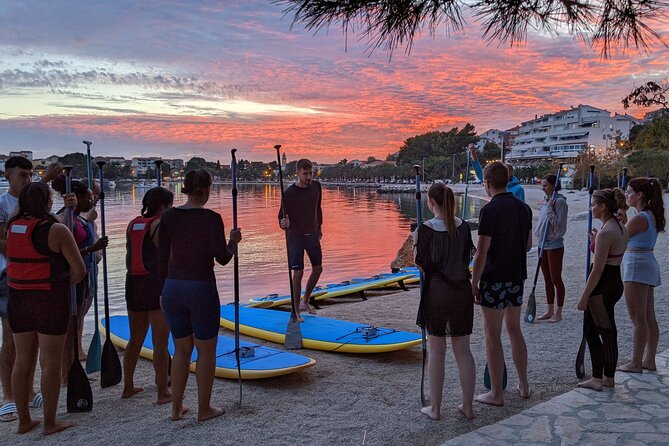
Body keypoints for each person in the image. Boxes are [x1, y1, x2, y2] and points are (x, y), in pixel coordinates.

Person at [159, 169, 241, 421]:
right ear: (205, 190)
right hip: (200, 287)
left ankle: (176, 408)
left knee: (181, 349)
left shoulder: (169, 216)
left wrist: (162, 290)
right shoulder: (211, 218)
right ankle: (204, 409)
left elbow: (161, 257)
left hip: (172, 286)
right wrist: (233, 242)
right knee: (206, 351)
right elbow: (223, 258)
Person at [7, 182, 86, 434]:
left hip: (18, 300)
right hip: (49, 300)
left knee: (22, 360)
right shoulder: (57, 230)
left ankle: (23, 421)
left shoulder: (12, 227)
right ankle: (50, 422)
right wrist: (62, 283)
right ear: (48, 202)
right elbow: (79, 270)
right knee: (50, 362)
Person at [0, 157, 63, 423]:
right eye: (22, 175)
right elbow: (6, 243)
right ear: (8, 176)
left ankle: (29, 391)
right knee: (12, 340)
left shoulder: (34, 205)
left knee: (34, 342)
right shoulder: (3, 204)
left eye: (29, 174)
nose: (26, 178)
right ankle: (8, 397)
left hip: (35, 278)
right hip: (8, 275)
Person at [471, 161, 532, 406]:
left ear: (487, 184)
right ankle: (524, 384)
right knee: (515, 330)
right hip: (516, 276)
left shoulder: (490, 210)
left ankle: (496, 393)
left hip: (494, 278)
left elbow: (482, 252)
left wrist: (474, 282)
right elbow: (527, 245)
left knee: (492, 334)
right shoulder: (523, 208)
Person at [414, 183, 476, 420]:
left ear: (430, 202)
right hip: (461, 292)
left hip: (437, 293)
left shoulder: (425, 229)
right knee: (463, 350)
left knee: (437, 351)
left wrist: (416, 243)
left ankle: (436, 409)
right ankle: (468, 407)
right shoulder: (463, 227)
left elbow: (422, 265)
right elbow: (465, 258)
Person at [51, 175, 108, 385]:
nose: (91, 201)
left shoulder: (80, 218)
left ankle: (74, 368)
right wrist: (92, 248)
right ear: (77, 198)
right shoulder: (63, 218)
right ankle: (67, 374)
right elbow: (63, 250)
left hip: (85, 274)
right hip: (71, 278)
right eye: (88, 198)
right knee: (70, 326)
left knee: (76, 325)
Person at [123, 187, 173, 403]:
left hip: (133, 283)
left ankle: (128, 386)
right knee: (160, 342)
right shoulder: (158, 225)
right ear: (163, 206)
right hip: (153, 285)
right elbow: (169, 258)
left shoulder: (132, 224)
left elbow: (129, 255)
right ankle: (163, 392)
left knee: (135, 339)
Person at [576, 188, 629, 391]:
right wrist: (595, 241)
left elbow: (597, 270)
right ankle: (608, 376)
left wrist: (584, 297)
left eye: (593, 204)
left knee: (593, 331)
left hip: (602, 284)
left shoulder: (607, 232)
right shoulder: (620, 227)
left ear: (602, 206)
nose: (591, 208)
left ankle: (599, 377)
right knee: (607, 330)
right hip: (614, 280)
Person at [617, 178, 665, 373]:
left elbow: (620, 239)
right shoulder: (650, 214)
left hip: (637, 264)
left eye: (629, 192)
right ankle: (649, 359)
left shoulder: (639, 218)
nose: (626, 195)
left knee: (637, 317)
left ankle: (636, 362)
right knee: (648, 316)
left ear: (639, 195)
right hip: (647, 262)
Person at [278, 159, 323, 322]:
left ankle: (305, 301)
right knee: (298, 273)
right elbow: (281, 217)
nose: (309, 177)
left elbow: (318, 209)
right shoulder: (289, 193)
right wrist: (284, 223)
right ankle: (296, 310)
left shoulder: (317, 187)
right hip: (295, 236)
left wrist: (319, 228)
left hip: (312, 235)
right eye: (305, 174)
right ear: (297, 173)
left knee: (318, 268)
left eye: (311, 173)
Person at [535, 174, 568, 322]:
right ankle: (549, 310)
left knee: (556, 278)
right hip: (542, 243)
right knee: (547, 279)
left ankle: (559, 312)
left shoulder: (560, 202)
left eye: (546, 185)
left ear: (554, 186)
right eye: (542, 185)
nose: (543, 188)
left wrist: (549, 208)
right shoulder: (547, 200)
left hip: (554, 245)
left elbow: (559, 226)